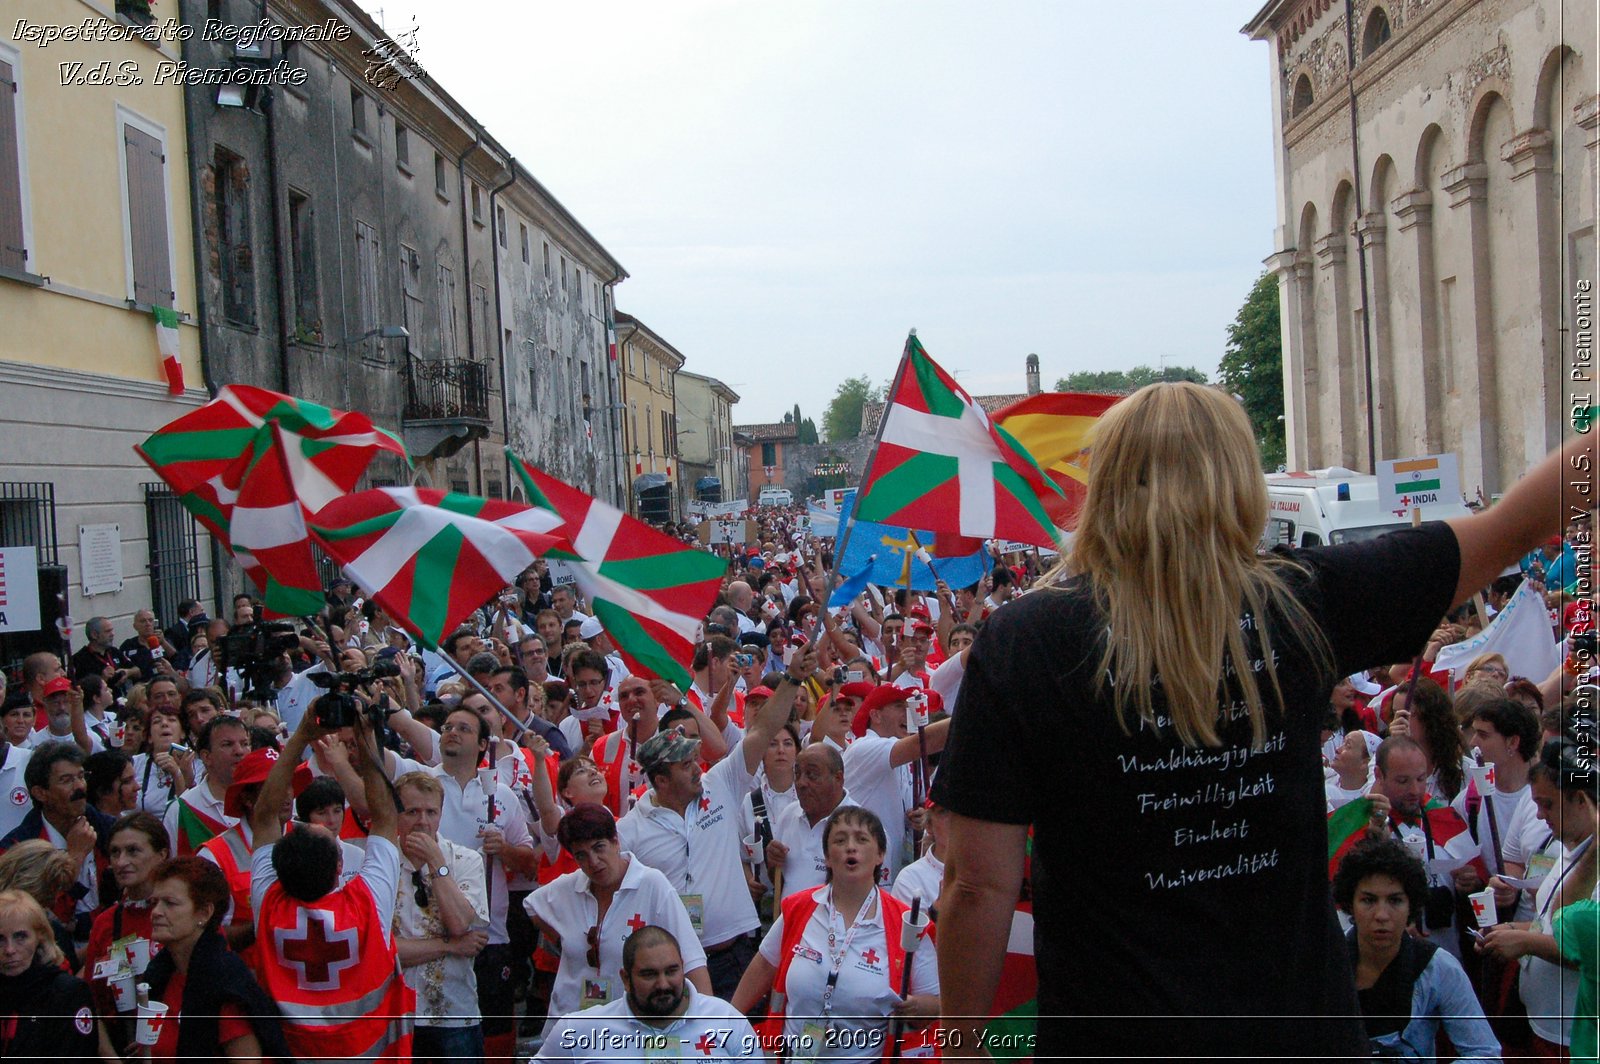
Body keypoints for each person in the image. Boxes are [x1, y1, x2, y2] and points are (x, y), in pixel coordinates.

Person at [932, 382, 1591, 1058]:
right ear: (1240, 482)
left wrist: (961, 1044)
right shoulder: (1304, 600)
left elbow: (978, 883)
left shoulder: (1027, 638)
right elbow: (1515, 524)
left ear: (1105, 482)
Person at [617, 645, 814, 997]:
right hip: (672, 972)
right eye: (686, 764)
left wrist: (793, 678)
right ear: (660, 780)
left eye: (696, 758)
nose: (698, 768)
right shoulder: (629, 830)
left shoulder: (720, 784)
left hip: (735, 956)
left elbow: (764, 729)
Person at [249, 703, 414, 1061]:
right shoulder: (367, 902)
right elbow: (385, 816)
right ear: (340, 867)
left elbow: (262, 817)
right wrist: (366, 736)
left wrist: (302, 736)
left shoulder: (268, 907)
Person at [732, 806, 939, 1062]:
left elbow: (937, 1002)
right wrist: (727, 1020)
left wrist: (918, 1007)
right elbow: (764, 965)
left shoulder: (906, 921)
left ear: (880, 855)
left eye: (861, 839)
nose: (850, 847)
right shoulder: (800, 907)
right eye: (840, 840)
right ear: (828, 857)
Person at [525, 805, 710, 1038]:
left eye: (599, 848)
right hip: (569, 1028)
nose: (593, 861)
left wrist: (707, 1032)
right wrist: (562, 940)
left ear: (616, 842)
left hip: (628, 1031)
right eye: (581, 855)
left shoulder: (652, 885)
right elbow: (531, 905)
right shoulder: (569, 888)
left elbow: (692, 961)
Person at [1478, 738, 1599, 1057]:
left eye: (1548, 804)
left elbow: (1587, 948)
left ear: (1581, 800)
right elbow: (1552, 923)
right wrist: (1513, 932)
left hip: (1574, 1036)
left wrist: (1527, 944)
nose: (1541, 815)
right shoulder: (1569, 849)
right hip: (1543, 1025)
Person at [1332, 836, 1500, 1060]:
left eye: (1395, 901)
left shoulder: (1439, 966)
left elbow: (1485, 1053)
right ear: (1350, 903)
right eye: (1368, 900)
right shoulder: (1326, 961)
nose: (1382, 915)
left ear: (1411, 905)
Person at [141, 856, 290, 1061]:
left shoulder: (224, 984)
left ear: (204, 912)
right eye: (154, 902)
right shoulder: (160, 974)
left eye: (170, 903)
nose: (156, 912)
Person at [536, 926, 757, 1061]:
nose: (663, 984)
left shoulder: (727, 1022)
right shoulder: (578, 1030)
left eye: (671, 971)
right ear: (626, 979)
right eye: (649, 974)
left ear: (683, 967)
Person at [390, 770, 490, 1064]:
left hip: (455, 1014)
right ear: (396, 814)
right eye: (412, 812)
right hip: (397, 1016)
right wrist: (450, 946)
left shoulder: (467, 860)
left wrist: (437, 863)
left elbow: (459, 923)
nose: (423, 821)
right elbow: (383, 949)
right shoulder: (381, 865)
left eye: (431, 812)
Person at [841, 684, 950, 878]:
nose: (907, 714)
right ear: (876, 716)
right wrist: (972, 714)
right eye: (899, 706)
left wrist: (914, 818)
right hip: (862, 869)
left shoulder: (899, 761)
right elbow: (925, 742)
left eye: (908, 708)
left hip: (887, 866)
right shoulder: (865, 747)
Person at [81, 811, 167, 1052]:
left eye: (133, 851)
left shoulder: (185, 914)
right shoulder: (105, 922)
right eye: (115, 852)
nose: (120, 862)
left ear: (161, 855)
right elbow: (91, 1006)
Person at [0, 889, 98, 1059]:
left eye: (20, 937)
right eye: (0, 939)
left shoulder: (67, 993)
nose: (9, 950)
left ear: (40, 937)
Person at [767, 742, 856, 898]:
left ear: (838, 778)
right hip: (790, 920)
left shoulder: (862, 828)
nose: (801, 783)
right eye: (797, 774)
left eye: (812, 775)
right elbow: (780, 881)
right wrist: (773, 863)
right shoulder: (789, 815)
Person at [162, 714, 250, 856]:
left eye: (245, 744)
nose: (239, 751)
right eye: (227, 744)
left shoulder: (266, 800)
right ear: (206, 757)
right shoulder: (181, 811)